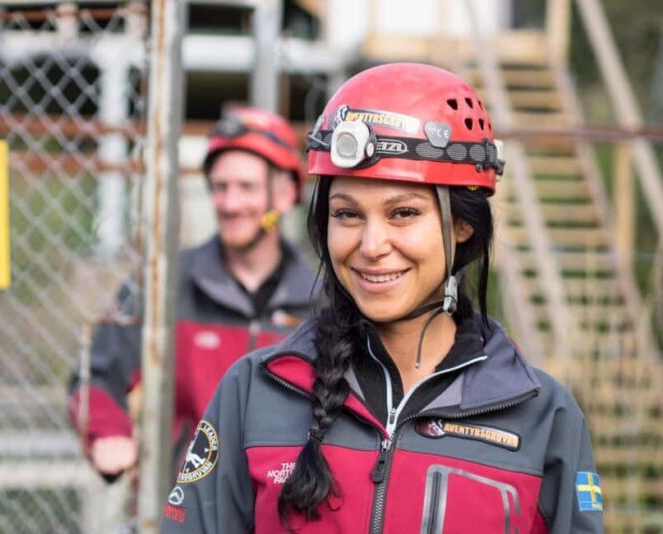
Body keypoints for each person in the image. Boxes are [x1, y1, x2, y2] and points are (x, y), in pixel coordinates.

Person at [161, 63, 603, 533]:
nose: (371, 246)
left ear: (463, 224)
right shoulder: (255, 391)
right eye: (347, 214)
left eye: (403, 213)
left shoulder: (543, 416)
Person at [68, 107, 316, 481]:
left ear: (284, 195)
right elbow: (93, 379)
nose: (230, 204)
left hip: (284, 512)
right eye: (220, 187)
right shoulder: (163, 283)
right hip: (182, 507)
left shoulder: (323, 301)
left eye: (246, 188)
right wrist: (108, 433)